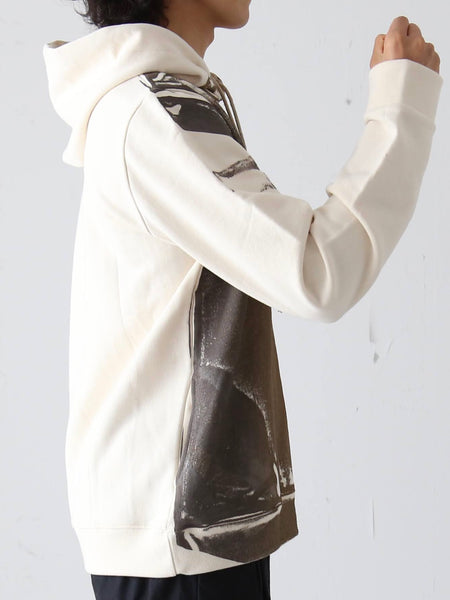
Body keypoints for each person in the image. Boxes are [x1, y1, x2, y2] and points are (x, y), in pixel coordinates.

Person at [42, 0, 442, 598]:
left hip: (186, 529)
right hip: (177, 540)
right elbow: (315, 271)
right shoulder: (151, 112)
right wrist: (400, 108)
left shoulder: (160, 101)